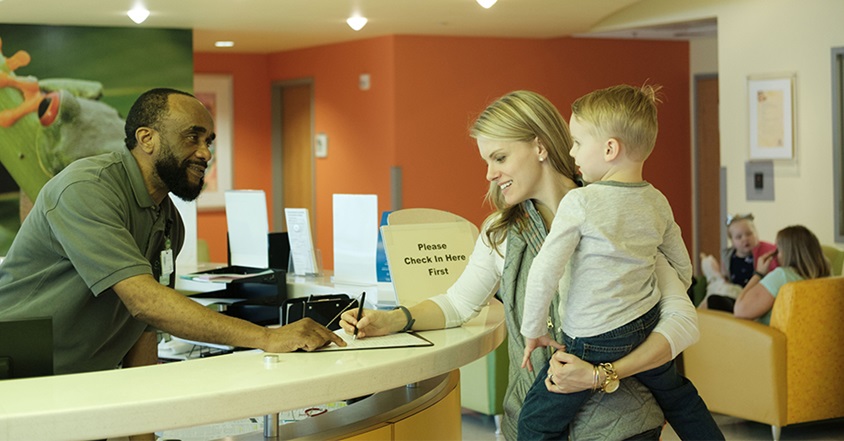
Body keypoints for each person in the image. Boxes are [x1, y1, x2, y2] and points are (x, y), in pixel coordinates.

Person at [340, 90, 702, 440]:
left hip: (619, 425)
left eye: (499, 158)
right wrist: (392, 319)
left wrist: (599, 374)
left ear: (539, 146)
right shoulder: (500, 233)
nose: (489, 174)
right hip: (529, 419)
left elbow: (678, 322)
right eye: (486, 162)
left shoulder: (620, 214)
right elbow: (458, 303)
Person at [0, 88, 344, 376]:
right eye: (192, 137)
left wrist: (146, 434)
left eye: (208, 140)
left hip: (83, 383)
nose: (205, 152)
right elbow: (146, 302)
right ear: (146, 139)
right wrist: (267, 338)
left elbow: (140, 329)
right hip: (20, 374)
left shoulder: (168, 221)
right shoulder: (86, 189)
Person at [516, 84, 722, 440]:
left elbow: (544, 272)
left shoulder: (580, 202)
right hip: (645, 326)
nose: (571, 151)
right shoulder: (657, 201)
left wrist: (533, 330)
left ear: (610, 148)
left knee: (535, 421)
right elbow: (682, 269)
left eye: (578, 142)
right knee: (680, 399)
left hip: (593, 339)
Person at [734, 224, 831, 325]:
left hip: (773, 338)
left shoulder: (782, 276)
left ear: (787, 252)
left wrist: (758, 273)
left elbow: (740, 311)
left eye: (778, 250)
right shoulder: (828, 277)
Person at [698, 213, 778, 311]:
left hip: (753, 296)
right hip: (735, 295)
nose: (745, 239)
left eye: (749, 234)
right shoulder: (730, 257)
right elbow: (726, 276)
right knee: (715, 297)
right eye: (739, 237)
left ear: (756, 233)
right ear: (732, 241)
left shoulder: (765, 254)